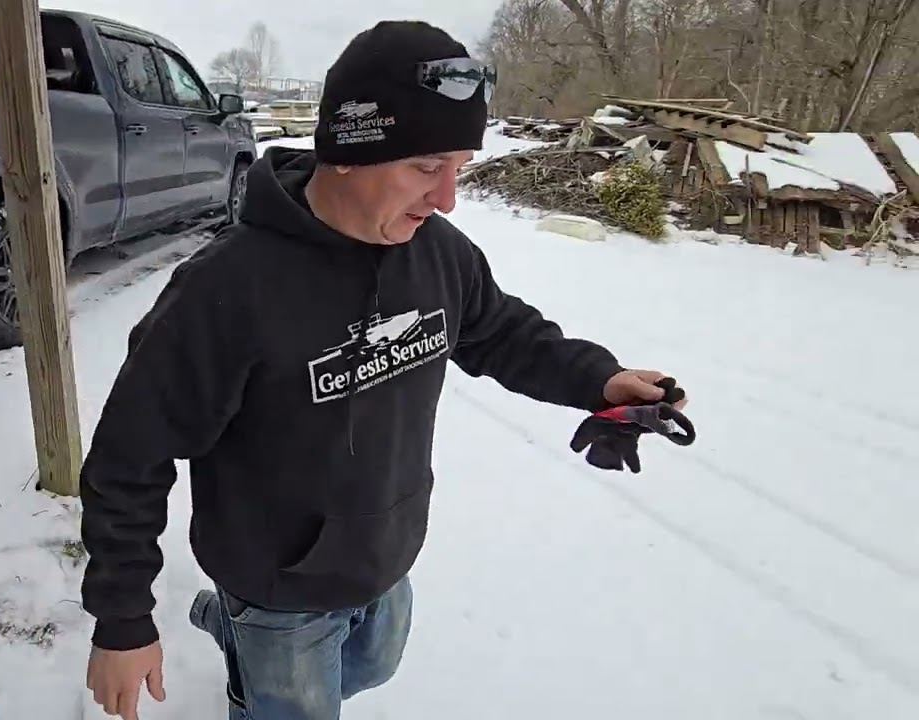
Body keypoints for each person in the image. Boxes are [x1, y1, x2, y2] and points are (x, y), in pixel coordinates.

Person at [80, 19, 689, 720]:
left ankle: (233, 634)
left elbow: (502, 332)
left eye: (459, 166)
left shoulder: (438, 253)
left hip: (384, 548)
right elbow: (130, 459)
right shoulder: (226, 290)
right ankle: (248, 652)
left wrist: (599, 380)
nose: (447, 198)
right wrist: (122, 620)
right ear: (348, 149)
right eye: (427, 168)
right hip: (277, 582)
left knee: (372, 665)